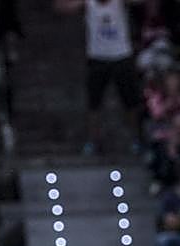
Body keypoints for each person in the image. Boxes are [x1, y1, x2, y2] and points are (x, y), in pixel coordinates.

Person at [54, 0, 144, 155]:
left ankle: (135, 139)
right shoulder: (88, 3)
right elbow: (60, 7)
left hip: (121, 56)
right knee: (93, 104)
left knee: (130, 103)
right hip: (97, 57)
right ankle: (92, 141)